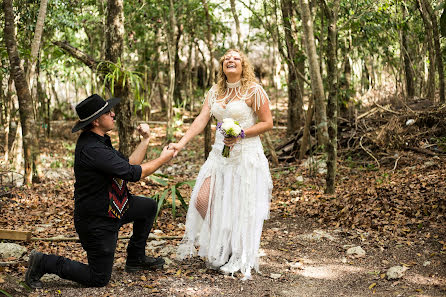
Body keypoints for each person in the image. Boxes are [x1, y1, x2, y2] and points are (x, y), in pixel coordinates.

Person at [25, 94, 175, 288]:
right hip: (97, 220)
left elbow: (129, 164)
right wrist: (164, 159)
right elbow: (133, 173)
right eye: (108, 112)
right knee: (98, 278)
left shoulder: (100, 140)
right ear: (96, 120)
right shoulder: (92, 149)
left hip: (116, 206)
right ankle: (43, 261)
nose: (113, 114)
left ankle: (136, 259)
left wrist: (146, 140)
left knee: (148, 207)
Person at [172, 49, 273, 280]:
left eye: (236, 58)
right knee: (202, 199)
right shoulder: (215, 91)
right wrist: (181, 143)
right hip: (219, 154)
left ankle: (237, 253)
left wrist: (242, 133)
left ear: (243, 65)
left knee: (240, 206)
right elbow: (202, 119)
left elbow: (268, 123)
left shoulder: (254, 91)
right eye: (227, 57)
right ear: (222, 66)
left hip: (245, 156)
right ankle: (224, 242)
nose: (231, 59)